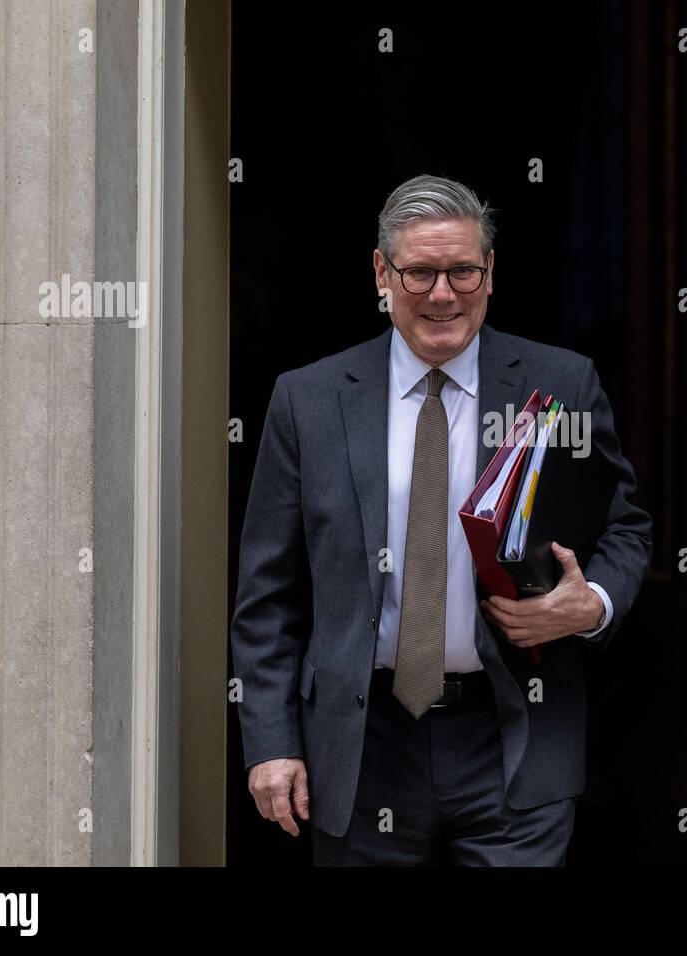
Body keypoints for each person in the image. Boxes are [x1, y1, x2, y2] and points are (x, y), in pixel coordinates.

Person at [230, 173, 651, 865]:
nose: (443, 293)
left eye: (463, 270)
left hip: (512, 737)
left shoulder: (561, 384)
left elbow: (625, 529)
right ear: (381, 272)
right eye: (421, 271)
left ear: (491, 274)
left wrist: (591, 603)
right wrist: (271, 742)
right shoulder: (308, 400)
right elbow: (267, 596)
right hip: (362, 745)